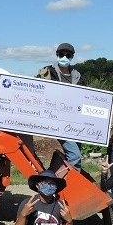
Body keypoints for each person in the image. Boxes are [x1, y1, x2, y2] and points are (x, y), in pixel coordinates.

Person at [36, 43, 85, 171]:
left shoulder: (78, 76)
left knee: (74, 154)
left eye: (67, 55)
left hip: (75, 122)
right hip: (57, 122)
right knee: (75, 155)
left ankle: (65, 182)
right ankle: (73, 187)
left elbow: (85, 98)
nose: (64, 57)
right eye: (61, 54)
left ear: (72, 57)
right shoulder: (47, 72)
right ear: (57, 55)